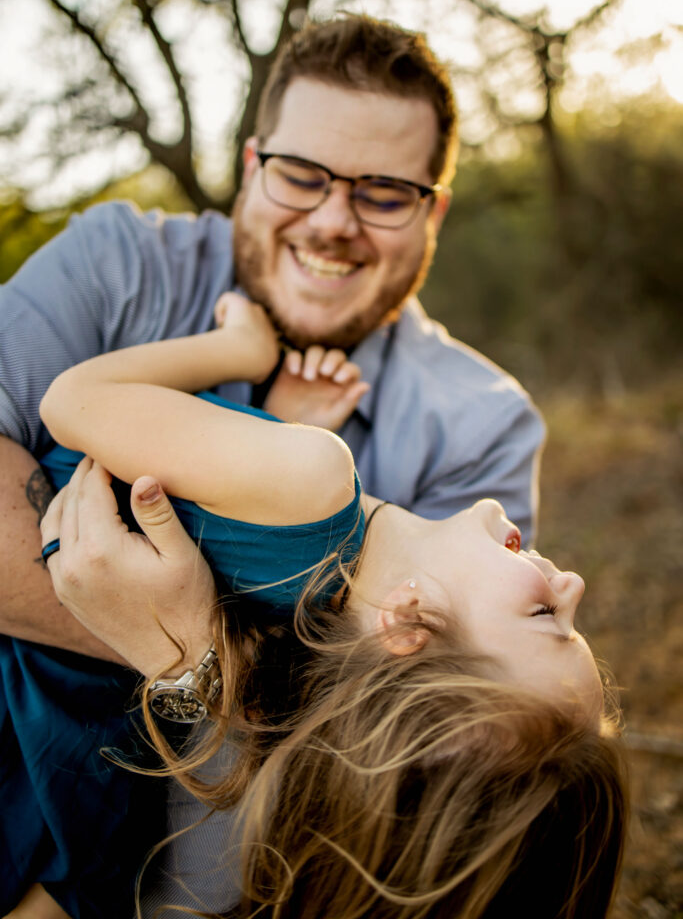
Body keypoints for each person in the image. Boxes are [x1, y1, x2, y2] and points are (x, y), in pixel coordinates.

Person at [6, 293, 625, 919]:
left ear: (411, 622)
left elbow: (69, 401)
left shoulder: (315, 479)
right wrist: (267, 428)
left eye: (547, 616)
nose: (572, 583)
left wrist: (242, 354)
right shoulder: (288, 650)